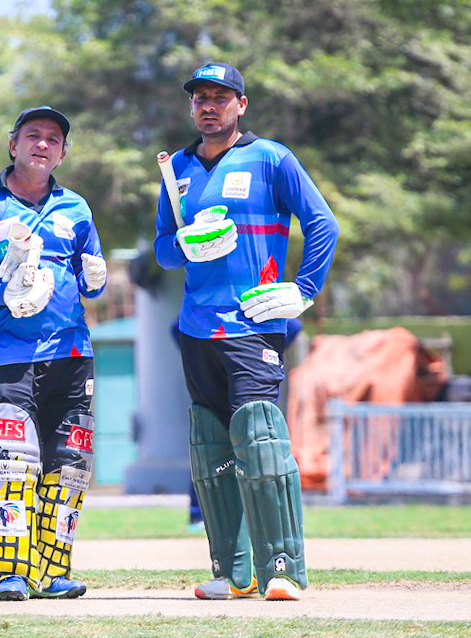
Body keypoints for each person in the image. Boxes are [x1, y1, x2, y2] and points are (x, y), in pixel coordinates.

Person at [154, 63, 339, 601]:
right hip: (196, 327)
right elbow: (163, 247)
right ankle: (234, 574)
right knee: (211, 447)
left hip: (253, 322)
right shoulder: (177, 168)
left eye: (221, 96)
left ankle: (283, 569)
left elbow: (322, 222)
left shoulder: (271, 158)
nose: (209, 105)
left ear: (242, 104)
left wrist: (304, 289)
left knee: (259, 441)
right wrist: (184, 246)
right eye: (200, 98)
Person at [0, 106, 107, 601]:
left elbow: (88, 276)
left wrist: (95, 280)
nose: (42, 144)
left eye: (53, 139)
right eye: (32, 135)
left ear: (63, 153)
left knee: (69, 465)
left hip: (72, 352)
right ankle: (9, 574)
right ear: (13, 145)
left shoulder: (77, 208)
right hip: (7, 353)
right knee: (9, 463)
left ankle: (54, 573)